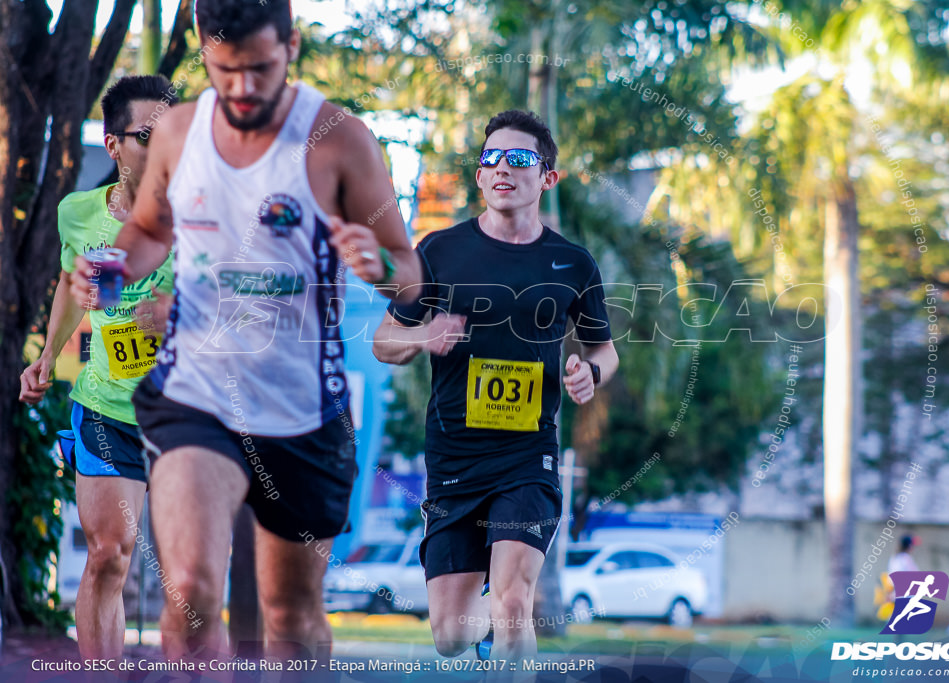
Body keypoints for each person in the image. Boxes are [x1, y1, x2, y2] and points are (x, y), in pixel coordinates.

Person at [69, 0, 420, 663]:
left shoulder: (339, 139)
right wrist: (109, 262)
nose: (243, 89)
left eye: (260, 69)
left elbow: (410, 275)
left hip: (300, 409)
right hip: (196, 395)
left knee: (291, 616)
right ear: (203, 51)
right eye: (226, 70)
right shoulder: (178, 132)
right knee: (194, 594)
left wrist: (378, 266)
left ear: (291, 45)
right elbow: (150, 229)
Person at [373, 109, 618, 659]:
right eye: (492, 158)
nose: (503, 168)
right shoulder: (438, 251)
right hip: (454, 459)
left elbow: (605, 349)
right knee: (450, 636)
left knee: (513, 602)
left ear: (547, 177)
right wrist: (423, 336)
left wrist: (590, 372)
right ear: (481, 176)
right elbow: (384, 342)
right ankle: (478, 629)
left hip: (528, 455)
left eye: (520, 158)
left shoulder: (572, 264)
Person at [19, 75, 177, 660]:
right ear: (114, 146)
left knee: (191, 577)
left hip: (189, 415)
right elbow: (71, 283)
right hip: (108, 406)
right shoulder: (78, 214)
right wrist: (46, 354)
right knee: (110, 554)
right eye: (147, 136)